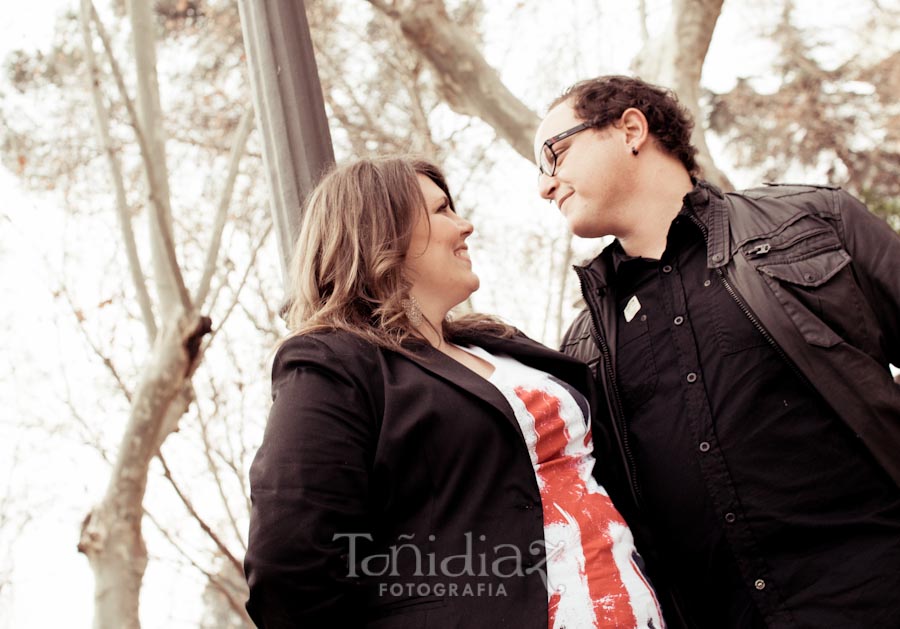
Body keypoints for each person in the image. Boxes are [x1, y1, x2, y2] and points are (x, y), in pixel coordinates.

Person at [533, 74, 900, 629]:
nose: (545, 184)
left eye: (554, 154)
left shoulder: (814, 223)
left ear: (631, 129)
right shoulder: (584, 347)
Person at [243, 157, 666, 628]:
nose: (464, 226)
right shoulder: (335, 361)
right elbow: (288, 566)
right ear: (383, 233)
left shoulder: (502, 347)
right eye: (442, 210)